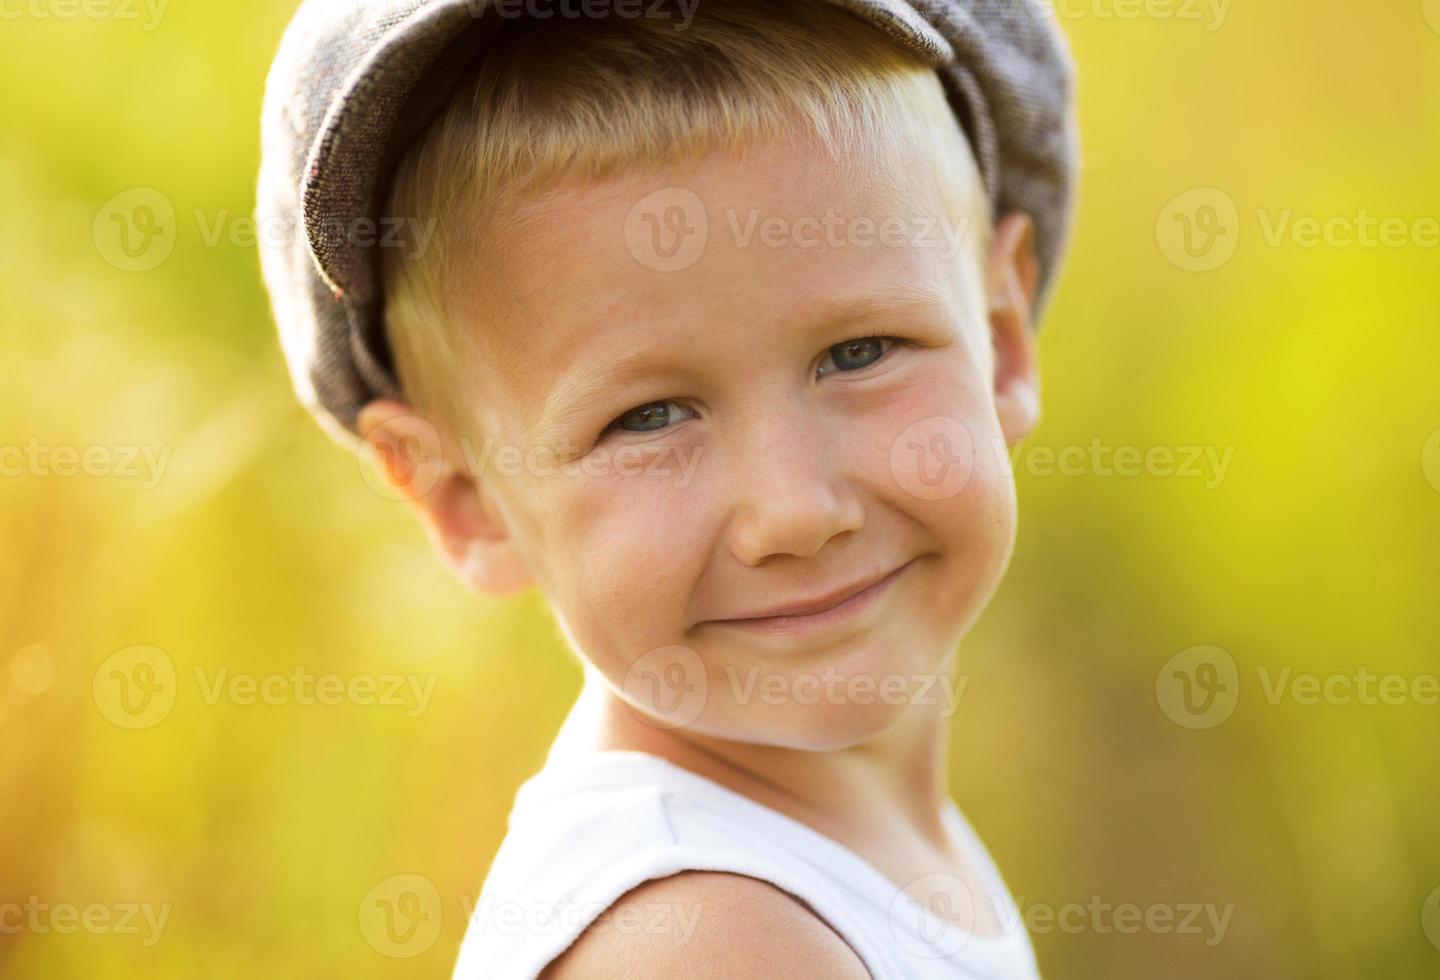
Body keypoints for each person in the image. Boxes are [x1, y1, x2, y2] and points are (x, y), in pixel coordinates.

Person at [256, 0, 1079, 975]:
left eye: (859, 352)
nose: (795, 511)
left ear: (1003, 337)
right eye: (648, 417)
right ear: (464, 497)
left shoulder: (822, 853)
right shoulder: (712, 940)